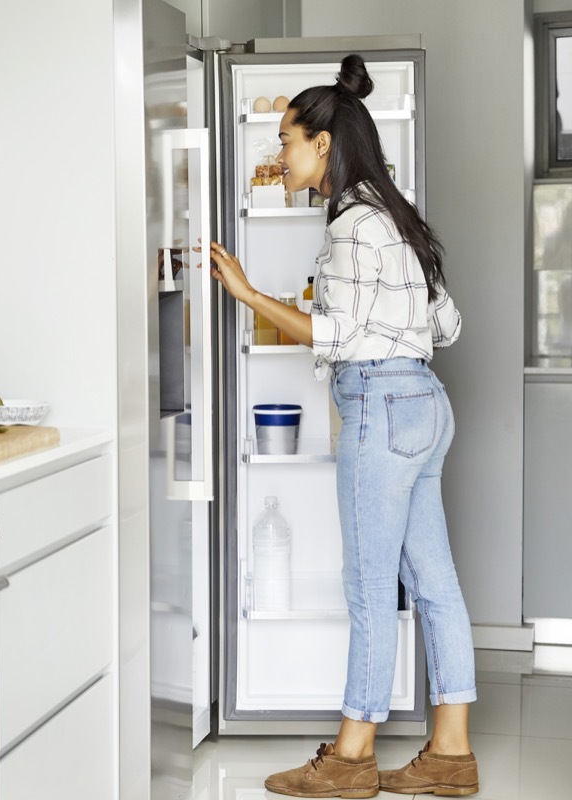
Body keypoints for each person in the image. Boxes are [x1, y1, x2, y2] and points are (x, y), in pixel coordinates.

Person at [206, 54, 479, 798]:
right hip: (425, 402)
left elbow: (339, 336)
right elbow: (447, 325)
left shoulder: (355, 227)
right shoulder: (396, 213)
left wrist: (248, 295)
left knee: (368, 585)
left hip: (380, 406)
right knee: (435, 583)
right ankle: (451, 752)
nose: (280, 155)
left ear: (323, 145)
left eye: (288, 141)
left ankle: (353, 754)